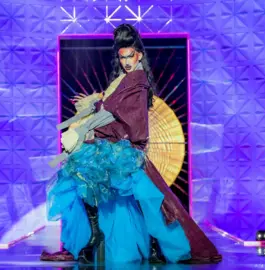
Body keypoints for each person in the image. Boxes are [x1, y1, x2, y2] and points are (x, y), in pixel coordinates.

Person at [40, 24, 222, 264]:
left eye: (130, 56)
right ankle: (91, 241)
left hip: (122, 147)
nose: (126, 61)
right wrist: (94, 107)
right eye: (122, 56)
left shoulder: (137, 81)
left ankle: (143, 245)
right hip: (110, 145)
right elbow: (111, 108)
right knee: (83, 181)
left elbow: (130, 121)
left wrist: (94, 125)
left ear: (139, 55)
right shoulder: (124, 80)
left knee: (135, 194)